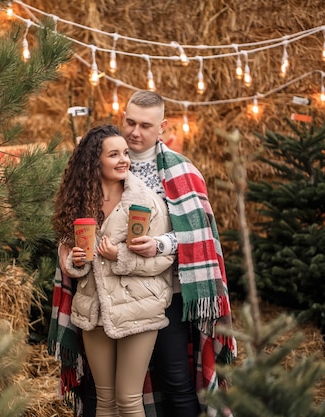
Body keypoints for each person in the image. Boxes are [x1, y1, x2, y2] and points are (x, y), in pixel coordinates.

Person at [122, 90, 237, 416]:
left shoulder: (181, 170)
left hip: (168, 292)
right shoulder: (108, 161)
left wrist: (160, 244)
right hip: (117, 291)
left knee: (175, 376)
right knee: (117, 386)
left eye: (146, 125)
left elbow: (198, 233)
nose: (135, 132)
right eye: (130, 122)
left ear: (163, 127)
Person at [50, 124, 175, 417]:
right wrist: (76, 261)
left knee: (129, 399)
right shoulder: (79, 205)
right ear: (95, 161)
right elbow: (69, 259)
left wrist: (120, 255)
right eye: (114, 154)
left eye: (125, 153)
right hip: (94, 310)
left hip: (139, 307)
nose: (124, 160)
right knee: (105, 399)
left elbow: (162, 262)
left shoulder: (146, 203)